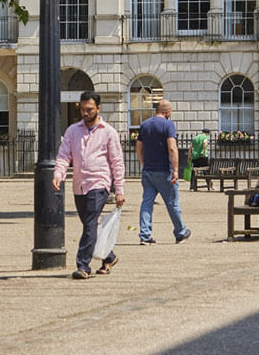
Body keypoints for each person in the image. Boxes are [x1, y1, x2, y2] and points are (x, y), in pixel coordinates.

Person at [52, 91, 125, 279]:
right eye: (82, 109)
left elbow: (117, 162)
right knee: (89, 225)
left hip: (100, 183)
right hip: (79, 185)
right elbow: (63, 156)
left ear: (98, 109)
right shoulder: (72, 131)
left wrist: (119, 190)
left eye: (89, 109)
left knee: (90, 223)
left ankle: (83, 265)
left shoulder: (108, 132)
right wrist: (58, 174)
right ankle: (109, 256)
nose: (85, 113)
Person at [136, 99, 191, 245]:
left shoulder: (144, 125)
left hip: (148, 171)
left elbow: (138, 148)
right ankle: (180, 232)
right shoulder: (168, 125)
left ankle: (145, 235)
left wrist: (143, 163)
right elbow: (172, 148)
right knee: (172, 203)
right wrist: (176, 170)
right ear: (167, 112)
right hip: (164, 170)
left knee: (147, 203)